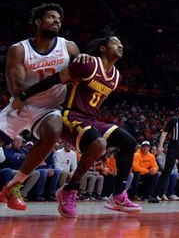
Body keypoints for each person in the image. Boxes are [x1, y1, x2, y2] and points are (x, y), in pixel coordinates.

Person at [14, 33, 141, 217]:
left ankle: (118, 195)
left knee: (129, 142)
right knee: (99, 144)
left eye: (121, 43)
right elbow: (55, 79)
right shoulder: (88, 64)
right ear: (103, 48)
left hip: (90, 119)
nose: (120, 46)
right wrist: (24, 96)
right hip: (70, 115)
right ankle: (69, 190)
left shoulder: (116, 77)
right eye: (115, 42)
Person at [0, 4, 80, 210]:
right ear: (38, 21)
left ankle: (14, 185)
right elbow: (18, 88)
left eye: (59, 20)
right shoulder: (19, 50)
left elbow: (81, 75)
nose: (56, 21)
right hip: (21, 105)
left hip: (49, 109)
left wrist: (86, 62)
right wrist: (60, 78)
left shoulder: (69, 47)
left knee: (54, 130)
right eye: (51, 17)